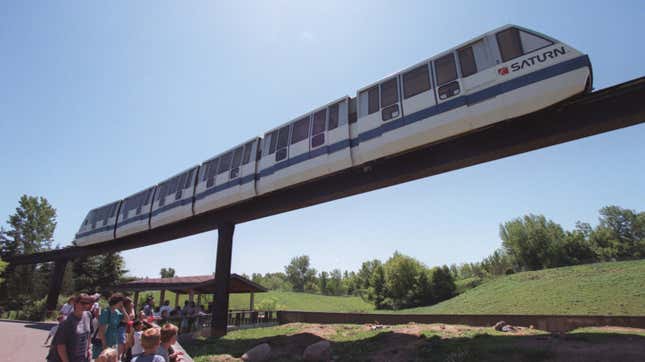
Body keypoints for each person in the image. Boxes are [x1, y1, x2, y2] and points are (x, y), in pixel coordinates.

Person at [46, 293, 95, 362]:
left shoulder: (88, 315)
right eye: (83, 303)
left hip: (81, 358)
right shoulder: (66, 322)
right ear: (75, 303)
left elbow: (89, 334)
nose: (86, 305)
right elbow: (60, 346)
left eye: (88, 303)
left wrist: (88, 349)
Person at [99, 293, 130, 358]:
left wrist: (123, 309)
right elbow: (101, 331)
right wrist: (105, 347)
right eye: (121, 302)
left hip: (114, 342)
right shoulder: (106, 312)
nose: (122, 304)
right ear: (116, 302)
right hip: (105, 344)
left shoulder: (117, 312)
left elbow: (127, 320)